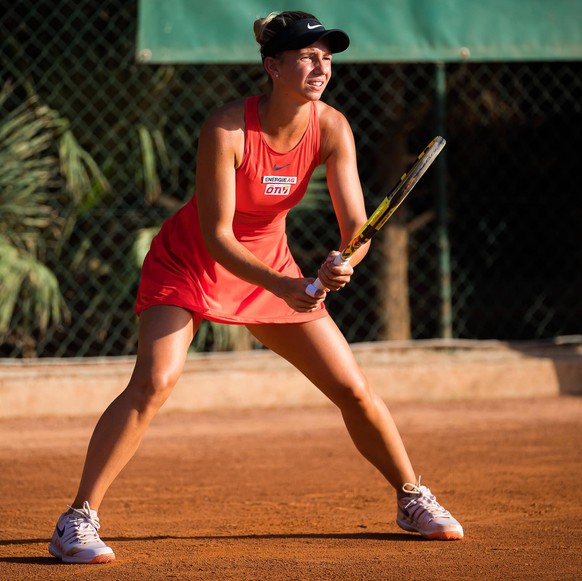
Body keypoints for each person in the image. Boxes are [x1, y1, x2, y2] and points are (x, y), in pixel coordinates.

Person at [48, 10, 463, 564]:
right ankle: (77, 519)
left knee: (353, 389)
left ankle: (412, 497)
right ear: (273, 67)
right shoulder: (226, 129)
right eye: (306, 57)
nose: (321, 66)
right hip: (190, 262)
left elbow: (357, 230)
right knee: (155, 380)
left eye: (327, 56)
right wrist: (285, 283)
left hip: (272, 269)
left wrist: (345, 263)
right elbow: (216, 235)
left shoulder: (332, 126)